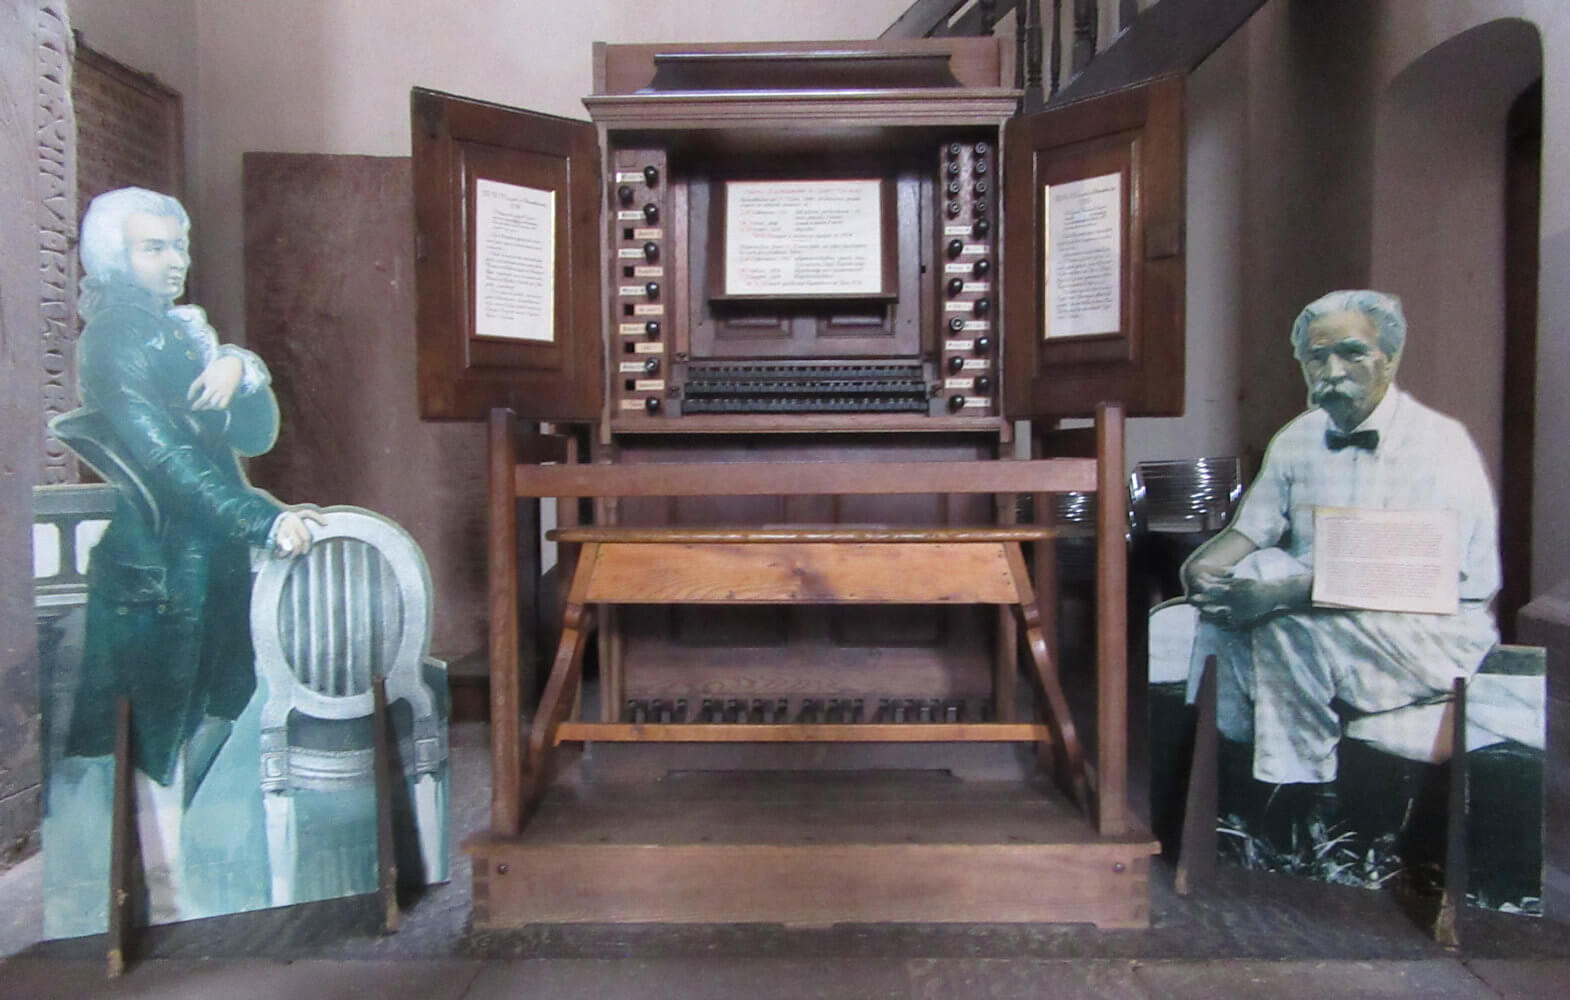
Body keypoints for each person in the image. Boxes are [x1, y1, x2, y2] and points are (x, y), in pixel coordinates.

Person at [52, 187, 321, 916]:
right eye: (154, 247)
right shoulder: (114, 337)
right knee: (156, 741)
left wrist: (242, 365)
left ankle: (183, 885)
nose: (175, 262)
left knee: (218, 715)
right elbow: (167, 461)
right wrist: (260, 518)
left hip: (212, 562)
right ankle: (162, 904)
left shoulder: (177, 332)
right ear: (115, 257)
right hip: (158, 572)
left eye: (179, 245)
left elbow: (253, 436)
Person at [1180, 290, 1499, 808]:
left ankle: (1296, 797)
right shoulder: (1297, 438)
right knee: (1239, 590)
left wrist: (1283, 593)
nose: (1332, 368)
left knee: (1283, 620)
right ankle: (1225, 766)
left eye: (1352, 352)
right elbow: (1251, 531)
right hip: (1329, 612)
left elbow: (1420, 573)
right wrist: (1205, 569)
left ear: (1390, 358)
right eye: (1316, 355)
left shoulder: (1440, 445)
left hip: (1428, 626)